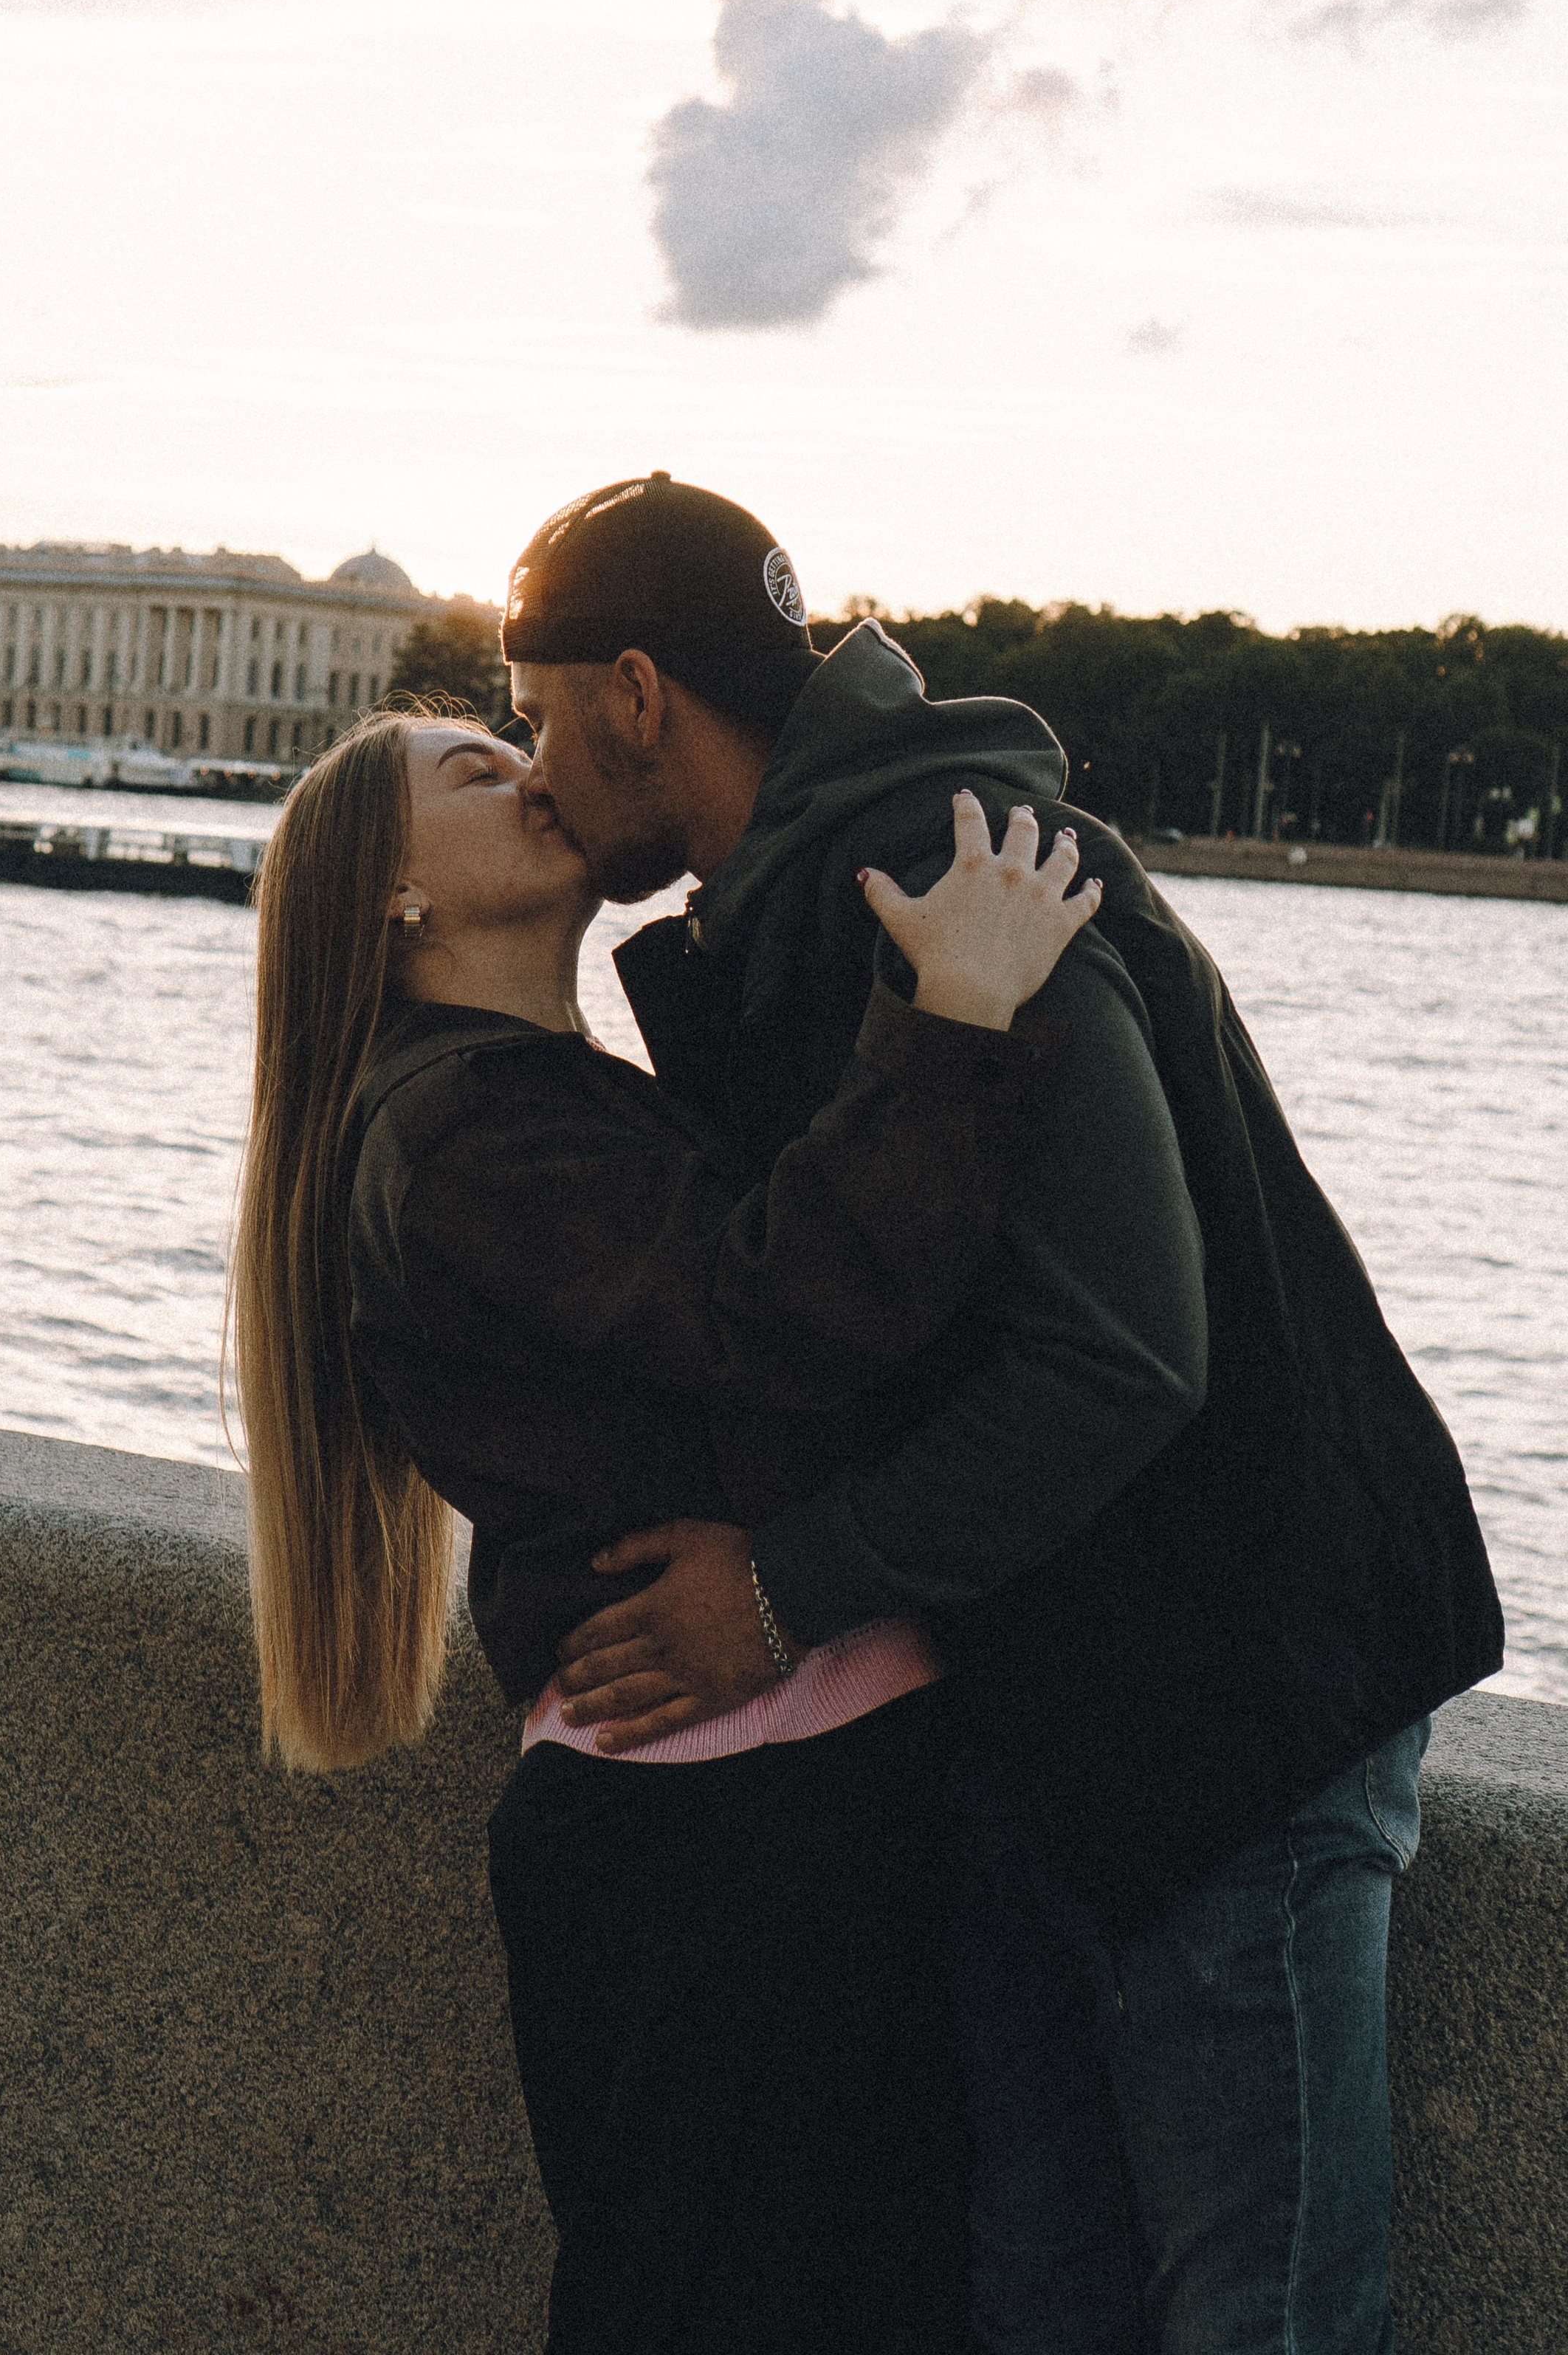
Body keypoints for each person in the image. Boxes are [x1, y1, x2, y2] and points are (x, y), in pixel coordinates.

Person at [503, 473, 1505, 2355]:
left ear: (637, 690)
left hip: (1232, 1700)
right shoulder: (834, 882)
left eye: (533, 704)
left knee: (1251, 2321)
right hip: (1080, 1705)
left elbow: (1118, 1358)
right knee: (1038, 2296)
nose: (529, 762)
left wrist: (783, 1591)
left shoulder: (936, 871)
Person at [230, 704, 1104, 2354]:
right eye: (471, 776)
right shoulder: (469, 1130)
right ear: (391, 901)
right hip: (734, 1834)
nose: (529, 770)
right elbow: (790, 1313)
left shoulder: (497, 1103)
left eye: (517, 741)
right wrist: (965, 1004)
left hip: (728, 1817)